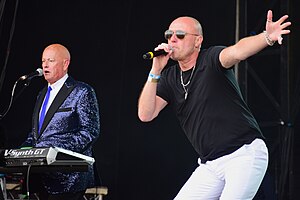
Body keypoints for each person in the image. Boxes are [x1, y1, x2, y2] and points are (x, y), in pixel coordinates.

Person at [138, 10, 291, 200]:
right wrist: (155, 71)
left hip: (243, 154)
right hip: (210, 165)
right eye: (169, 35)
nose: (173, 40)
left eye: (180, 35)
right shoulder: (169, 77)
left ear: (197, 41)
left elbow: (237, 51)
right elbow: (146, 114)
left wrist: (266, 37)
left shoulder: (210, 59)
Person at [21, 44, 100, 200]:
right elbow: (38, 133)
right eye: (43, 61)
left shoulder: (82, 91)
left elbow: (89, 131)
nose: (45, 65)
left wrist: (56, 150)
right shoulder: (42, 94)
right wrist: (24, 150)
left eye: (50, 60)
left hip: (68, 179)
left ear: (65, 64)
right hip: (41, 177)